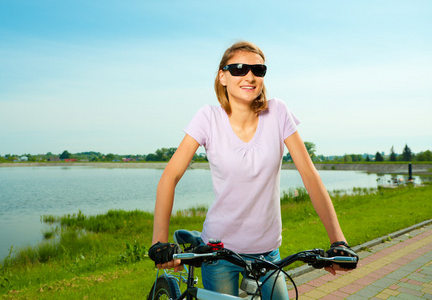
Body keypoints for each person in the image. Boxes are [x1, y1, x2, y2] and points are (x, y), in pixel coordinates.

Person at [148, 41, 357, 299]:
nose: (249, 76)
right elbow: (170, 176)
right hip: (219, 252)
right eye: (239, 69)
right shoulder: (208, 117)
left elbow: (310, 177)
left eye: (258, 70)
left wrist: (338, 241)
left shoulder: (278, 111)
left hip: (268, 252)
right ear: (222, 76)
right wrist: (159, 240)